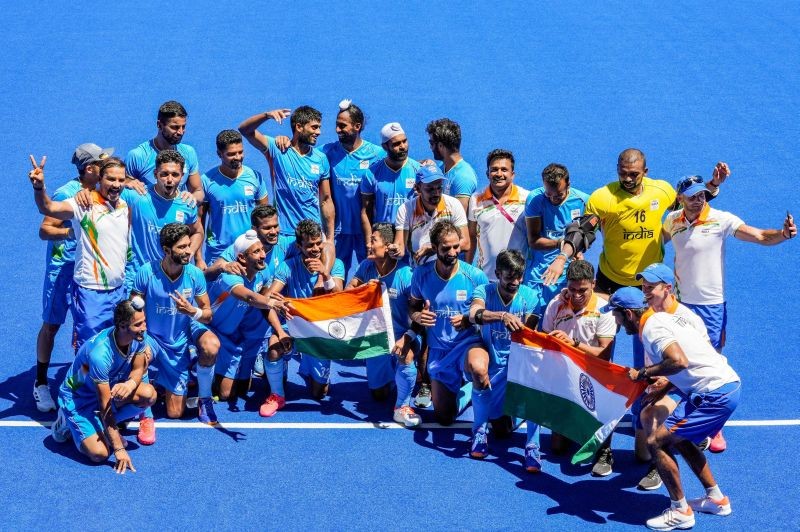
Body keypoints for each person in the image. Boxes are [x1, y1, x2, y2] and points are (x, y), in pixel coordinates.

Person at [606, 287, 741, 531]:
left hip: (715, 394)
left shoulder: (650, 329)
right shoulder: (663, 317)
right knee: (679, 438)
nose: (615, 321)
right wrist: (666, 386)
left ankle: (681, 511)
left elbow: (679, 361)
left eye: (616, 315)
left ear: (628, 313)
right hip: (722, 386)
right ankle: (717, 499)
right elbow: (692, 357)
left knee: (656, 441)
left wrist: (643, 373)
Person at [664, 174, 796, 351]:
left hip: (710, 305)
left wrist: (783, 234)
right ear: (680, 198)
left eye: (701, 195)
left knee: (711, 358)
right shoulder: (672, 220)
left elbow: (761, 236)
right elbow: (656, 242)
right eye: (692, 197)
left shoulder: (721, 219)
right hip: (679, 302)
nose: (698, 200)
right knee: (679, 355)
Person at [34, 143, 110, 412]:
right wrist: (72, 234)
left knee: (86, 328)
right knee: (52, 326)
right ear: (90, 169)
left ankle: (86, 383)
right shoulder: (67, 193)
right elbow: (45, 230)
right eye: (102, 162)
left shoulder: (102, 190)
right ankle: (41, 382)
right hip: (63, 271)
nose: (107, 165)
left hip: (88, 272)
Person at [585, 149, 725, 294]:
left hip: (651, 279)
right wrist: (563, 256)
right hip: (611, 279)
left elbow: (689, 206)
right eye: (623, 173)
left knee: (652, 317)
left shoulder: (660, 190)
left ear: (645, 171)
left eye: (634, 174)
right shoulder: (602, 197)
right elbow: (582, 232)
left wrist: (713, 184)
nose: (627, 179)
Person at [29, 155, 130, 351]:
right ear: (99, 179)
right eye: (111, 179)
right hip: (91, 291)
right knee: (90, 350)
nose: (116, 184)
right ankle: (76, 382)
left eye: (121, 179)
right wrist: (39, 188)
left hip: (118, 290)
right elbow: (48, 207)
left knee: (116, 345)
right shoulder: (83, 204)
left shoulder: (125, 205)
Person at [51, 297, 157, 474]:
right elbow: (105, 408)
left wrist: (130, 384)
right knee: (100, 454)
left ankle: (101, 428)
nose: (144, 327)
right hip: (77, 398)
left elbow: (139, 369)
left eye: (144, 321)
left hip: (101, 386)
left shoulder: (139, 336)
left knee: (149, 395)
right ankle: (66, 420)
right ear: (123, 326)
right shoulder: (100, 355)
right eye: (138, 324)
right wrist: (119, 449)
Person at [131, 224, 220, 426]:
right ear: (166, 250)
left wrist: (192, 311)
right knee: (139, 354)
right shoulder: (146, 272)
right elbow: (133, 311)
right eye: (182, 247)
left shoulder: (194, 274)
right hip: (153, 339)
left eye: (189, 246)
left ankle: (204, 398)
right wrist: (140, 337)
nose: (188, 251)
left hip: (180, 340)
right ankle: (146, 417)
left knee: (174, 413)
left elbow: (207, 315)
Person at [408, 220, 488, 425]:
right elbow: (413, 307)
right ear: (434, 248)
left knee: (479, 370)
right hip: (439, 351)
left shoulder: (475, 276)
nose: (453, 252)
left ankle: (479, 415)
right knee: (444, 418)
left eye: (456, 246)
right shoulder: (421, 274)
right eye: (446, 248)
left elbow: (486, 313)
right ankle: (468, 391)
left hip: (468, 344)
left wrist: (469, 320)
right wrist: (417, 317)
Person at [467, 249, 542, 466]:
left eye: (519, 277)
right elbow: (474, 315)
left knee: (534, 382)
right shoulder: (484, 290)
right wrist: (501, 316)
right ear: (498, 273)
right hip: (491, 361)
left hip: (515, 366)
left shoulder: (530, 297)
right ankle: (479, 433)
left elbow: (531, 333)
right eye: (510, 277)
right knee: (477, 368)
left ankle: (532, 446)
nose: (516, 282)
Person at [540, 260, 616, 470]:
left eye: (582, 290)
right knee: (557, 448)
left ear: (593, 284)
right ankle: (576, 424)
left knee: (605, 402)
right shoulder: (556, 304)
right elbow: (545, 340)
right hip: (564, 377)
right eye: (572, 289)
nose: (576, 295)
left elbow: (604, 354)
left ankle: (605, 450)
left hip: (593, 375)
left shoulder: (604, 310)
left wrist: (572, 344)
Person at [347, 222, 420, 425]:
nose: (368, 244)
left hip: (405, 336)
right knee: (379, 395)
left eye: (373, 240)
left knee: (407, 355)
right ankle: (397, 377)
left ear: (388, 246)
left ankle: (403, 405)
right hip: (377, 338)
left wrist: (408, 338)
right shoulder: (366, 266)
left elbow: (420, 313)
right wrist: (362, 291)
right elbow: (348, 292)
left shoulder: (406, 275)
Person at [267, 220, 346, 402]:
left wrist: (325, 275)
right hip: (294, 327)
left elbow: (340, 296)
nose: (316, 248)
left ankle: (313, 371)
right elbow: (270, 296)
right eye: (310, 245)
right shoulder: (288, 266)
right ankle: (276, 394)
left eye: (319, 243)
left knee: (319, 393)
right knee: (273, 348)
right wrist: (277, 303)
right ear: (299, 246)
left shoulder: (336, 265)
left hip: (320, 330)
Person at [206, 230, 288, 405]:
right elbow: (249, 297)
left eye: (262, 250)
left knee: (243, 389)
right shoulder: (230, 277)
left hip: (237, 335)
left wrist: (280, 331)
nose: (263, 255)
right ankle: (202, 368)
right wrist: (271, 302)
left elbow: (265, 307)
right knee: (226, 394)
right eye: (256, 252)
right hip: (217, 333)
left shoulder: (263, 273)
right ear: (242, 258)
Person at [238, 106, 334, 238]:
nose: (319, 132)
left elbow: (326, 200)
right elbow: (245, 130)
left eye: (319, 127)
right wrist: (267, 115)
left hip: (313, 235)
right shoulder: (277, 149)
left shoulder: (321, 159)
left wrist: (329, 238)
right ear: (299, 127)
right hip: (284, 234)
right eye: (314, 127)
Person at [121, 149, 203, 292]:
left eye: (175, 175)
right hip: (136, 277)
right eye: (164, 174)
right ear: (155, 174)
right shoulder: (136, 196)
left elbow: (197, 231)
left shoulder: (187, 204)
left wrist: (189, 253)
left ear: (182, 177)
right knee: (136, 315)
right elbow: (103, 185)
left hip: (171, 278)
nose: (169, 179)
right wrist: (126, 180)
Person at [322, 100, 386, 272]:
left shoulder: (376, 154)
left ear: (357, 126)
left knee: (371, 275)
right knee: (334, 278)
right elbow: (303, 154)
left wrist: (421, 164)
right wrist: (287, 141)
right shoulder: (327, 152)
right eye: (336, 125)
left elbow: (399, 163)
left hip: (366, 232)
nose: (337, 130)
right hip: (338, 232)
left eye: (342, 126)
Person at [198, 129, 269, 267]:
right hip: (218, 253)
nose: (237, 157)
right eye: (231, 154)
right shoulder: (207, 180)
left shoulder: (255, 177)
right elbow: (199, 220)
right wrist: (198, 258)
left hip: (249, 251)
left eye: (240, 152)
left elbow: (265, 217)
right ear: (219, 154)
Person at [525, 163, 589, 305]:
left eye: (559, 194)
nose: (553, 199)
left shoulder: (583, 201)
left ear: (568, 184)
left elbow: (587, 236)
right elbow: (533, 240)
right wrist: (562, 243)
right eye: (549, 194)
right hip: (537, 275)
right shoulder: (535, 199)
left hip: (568, 278)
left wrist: (577, 250)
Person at [466, 149, 529, 281]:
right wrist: (466, 269)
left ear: (513, 174)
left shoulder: (527, 198)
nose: (499, 174)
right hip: (485, 278)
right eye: (494, 169)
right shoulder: (476, 199)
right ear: (487, 173)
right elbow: (471, 237)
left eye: (504, 170)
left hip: (517, 279)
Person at [392, 164, 470, 266]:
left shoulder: (454, 204)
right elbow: (400, 247)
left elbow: (466, 243)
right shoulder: (406, 209)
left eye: (439, 188)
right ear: (418, 188)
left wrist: (433, 248)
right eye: (430, 189)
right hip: (419, 270)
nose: (436, 193)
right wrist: (394, 251)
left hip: (449, 268)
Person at [125, 100, 203, 202]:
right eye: (174, 127)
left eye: (183, 127)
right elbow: (122, 188)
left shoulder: (189, 152)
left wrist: (192, 198)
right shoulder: (137, 156)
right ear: (159, 125)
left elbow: (198, 191)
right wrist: (127, 183)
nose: (180, 132)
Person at [360, 122, 420, 248]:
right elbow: (366, 211)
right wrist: (369, 241)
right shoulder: (371, 174)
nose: (403, 146)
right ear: (385, 147)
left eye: (404, 141)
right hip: (383, 239)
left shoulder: (418, 171)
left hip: (410, 238)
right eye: (396, 144)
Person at [426, 118, 478, 213]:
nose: (430, 147)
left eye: (431, 143)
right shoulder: (441, 168)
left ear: (441, 146)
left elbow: (459, 220)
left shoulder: (463, 177)